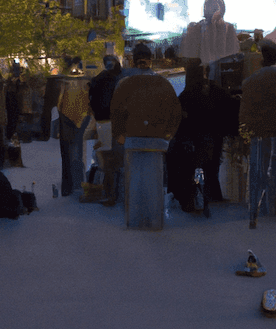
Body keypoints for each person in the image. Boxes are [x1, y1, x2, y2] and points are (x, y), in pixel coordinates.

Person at [110, 44, 182, 229]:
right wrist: (168, 134)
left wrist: (119, 135)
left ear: (133, 61)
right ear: (151, 60)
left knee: (133, 182)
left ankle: (134, 221)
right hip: (157, 140)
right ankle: (154, 221)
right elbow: (175, 111)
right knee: (155, 183)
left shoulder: (124, 84)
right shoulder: (163, 83)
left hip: (132, 138)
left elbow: (116, 112)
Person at [239, 39, 276, 228]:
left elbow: (244, 112)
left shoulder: (250, 81)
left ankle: (255, 212)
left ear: (261, 58)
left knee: (258, 173)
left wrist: (245, 135)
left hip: (259, 133)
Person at [167, 59, 235, 213]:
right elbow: (228, 106)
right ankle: (212, 195)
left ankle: (199, 196)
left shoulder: (188, 92)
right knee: (211, 169)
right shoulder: (214, 89)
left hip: (196, 139)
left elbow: (180, 116)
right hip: (214, 137)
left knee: (198, 169)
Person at [87, 55, 123, 205]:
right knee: (114, 159)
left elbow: (92, 100)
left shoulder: (99, 79)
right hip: (113, 122)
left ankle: (109, 193)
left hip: (103, 122)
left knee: (107, 159)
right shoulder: (115, 80)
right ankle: (113, 194)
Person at [55, 58, 91, 197]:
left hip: (68, 117)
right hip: (79, 118)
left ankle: (70, 186)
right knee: (77, 151)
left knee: (70, 151)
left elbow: (59, 101)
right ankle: (76, 184)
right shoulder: (85, 81)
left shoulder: (66, 81)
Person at [178, 0, 240, 67]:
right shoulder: (196, 28)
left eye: (215, 8)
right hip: (208, 72)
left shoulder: (229, 29)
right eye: (213, 8)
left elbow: (234, 56)